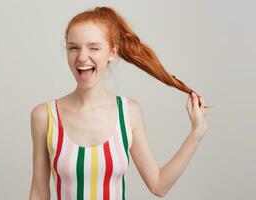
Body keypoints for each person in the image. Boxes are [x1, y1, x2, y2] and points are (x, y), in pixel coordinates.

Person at [29, 6, 209, 200]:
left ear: (112, 52)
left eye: (94, 48)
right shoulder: (44, 116)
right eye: (73, 48)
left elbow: (159, 185)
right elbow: (39, 192)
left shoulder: (129, 113)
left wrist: (196, 133)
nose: (81, 57)